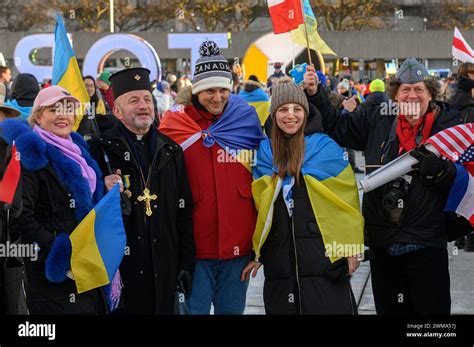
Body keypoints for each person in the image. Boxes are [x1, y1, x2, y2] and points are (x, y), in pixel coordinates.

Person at [304, 58, 468, 314]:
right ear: (395, 95)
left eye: (418, 90)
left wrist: (440, 171)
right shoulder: (377, 120)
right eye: (405, 89)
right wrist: (315, 94)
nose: (412, 95)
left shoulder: (449, 126)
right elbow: (336, 126)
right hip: (384, 244)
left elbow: (464, 182)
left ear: (430, 95)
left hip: (427, 243)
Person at [241, 78, 364, 314]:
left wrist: (352, 248)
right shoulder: (264, 154)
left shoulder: (326, 148)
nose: (291, 115)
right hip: (280, 268)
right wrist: (256, 252)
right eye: (283, 109)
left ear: (306, 113)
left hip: (325, 263)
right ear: (274, 113)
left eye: (297, 109)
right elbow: (260, 211)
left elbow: (346, 204)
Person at [160, 40, 265, 314]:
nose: (217, 97)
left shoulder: (245, 119)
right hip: (194, 248)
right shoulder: (174, 124)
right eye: (209, 90)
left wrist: (260, 246)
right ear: (196, 90)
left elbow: (266, 175)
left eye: (223, 90)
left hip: (238, 246)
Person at [88, 67, 195, 314]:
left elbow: (184, 211)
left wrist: (186, 263)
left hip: (164, 266)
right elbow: (86, 211)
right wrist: (103, 190)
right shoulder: (99, 151)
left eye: (147, 99)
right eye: (133, 100)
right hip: (121, 268)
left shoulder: (171, 150)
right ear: (116, 110)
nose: (143, 105)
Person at [0, 86, 116, 314]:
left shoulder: (79, 151)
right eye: (54, 110)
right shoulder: (31, 155)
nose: (63, 115)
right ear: (39, 117)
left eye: (69, 109)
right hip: (50, 278)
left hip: (85, 267)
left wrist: (105, 186)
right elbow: (20, 215)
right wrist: (57, 253)